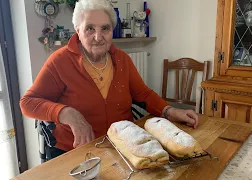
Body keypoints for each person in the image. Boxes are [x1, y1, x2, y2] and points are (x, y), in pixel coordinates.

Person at [20, 0, 198, 158]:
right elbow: (27, 102)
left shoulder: (121, 59)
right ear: (78, 31)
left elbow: (143, 94)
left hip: (123, 147)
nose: (98, 37)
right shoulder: (60, 61)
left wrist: (170, 111)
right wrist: (66, 113)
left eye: (105, 28)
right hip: (76, 152)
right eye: (90, 28)